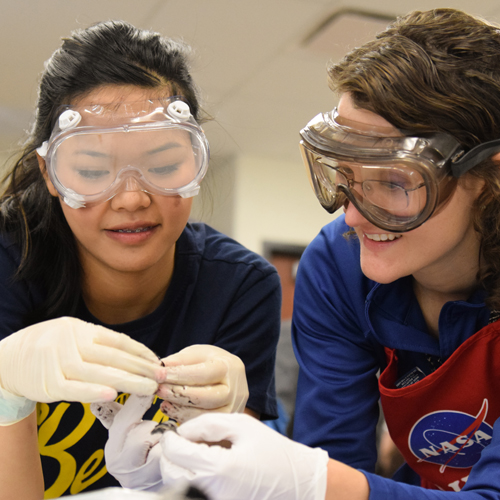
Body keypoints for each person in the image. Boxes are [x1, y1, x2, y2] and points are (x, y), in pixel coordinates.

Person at [103, 7, 500, 500]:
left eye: (394, 182)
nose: (353, 217)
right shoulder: (340, 265)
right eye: (346, 176)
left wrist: (309, 481)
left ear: (489, 176)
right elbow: (339, 463)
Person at [0, 20, 281, 499]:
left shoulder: (240, 287)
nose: (132, 198)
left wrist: (223, 428)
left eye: (163, 165)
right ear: (50, 174)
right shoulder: (9, 263)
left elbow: (220, 491)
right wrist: (6, 393)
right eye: (92, 170)